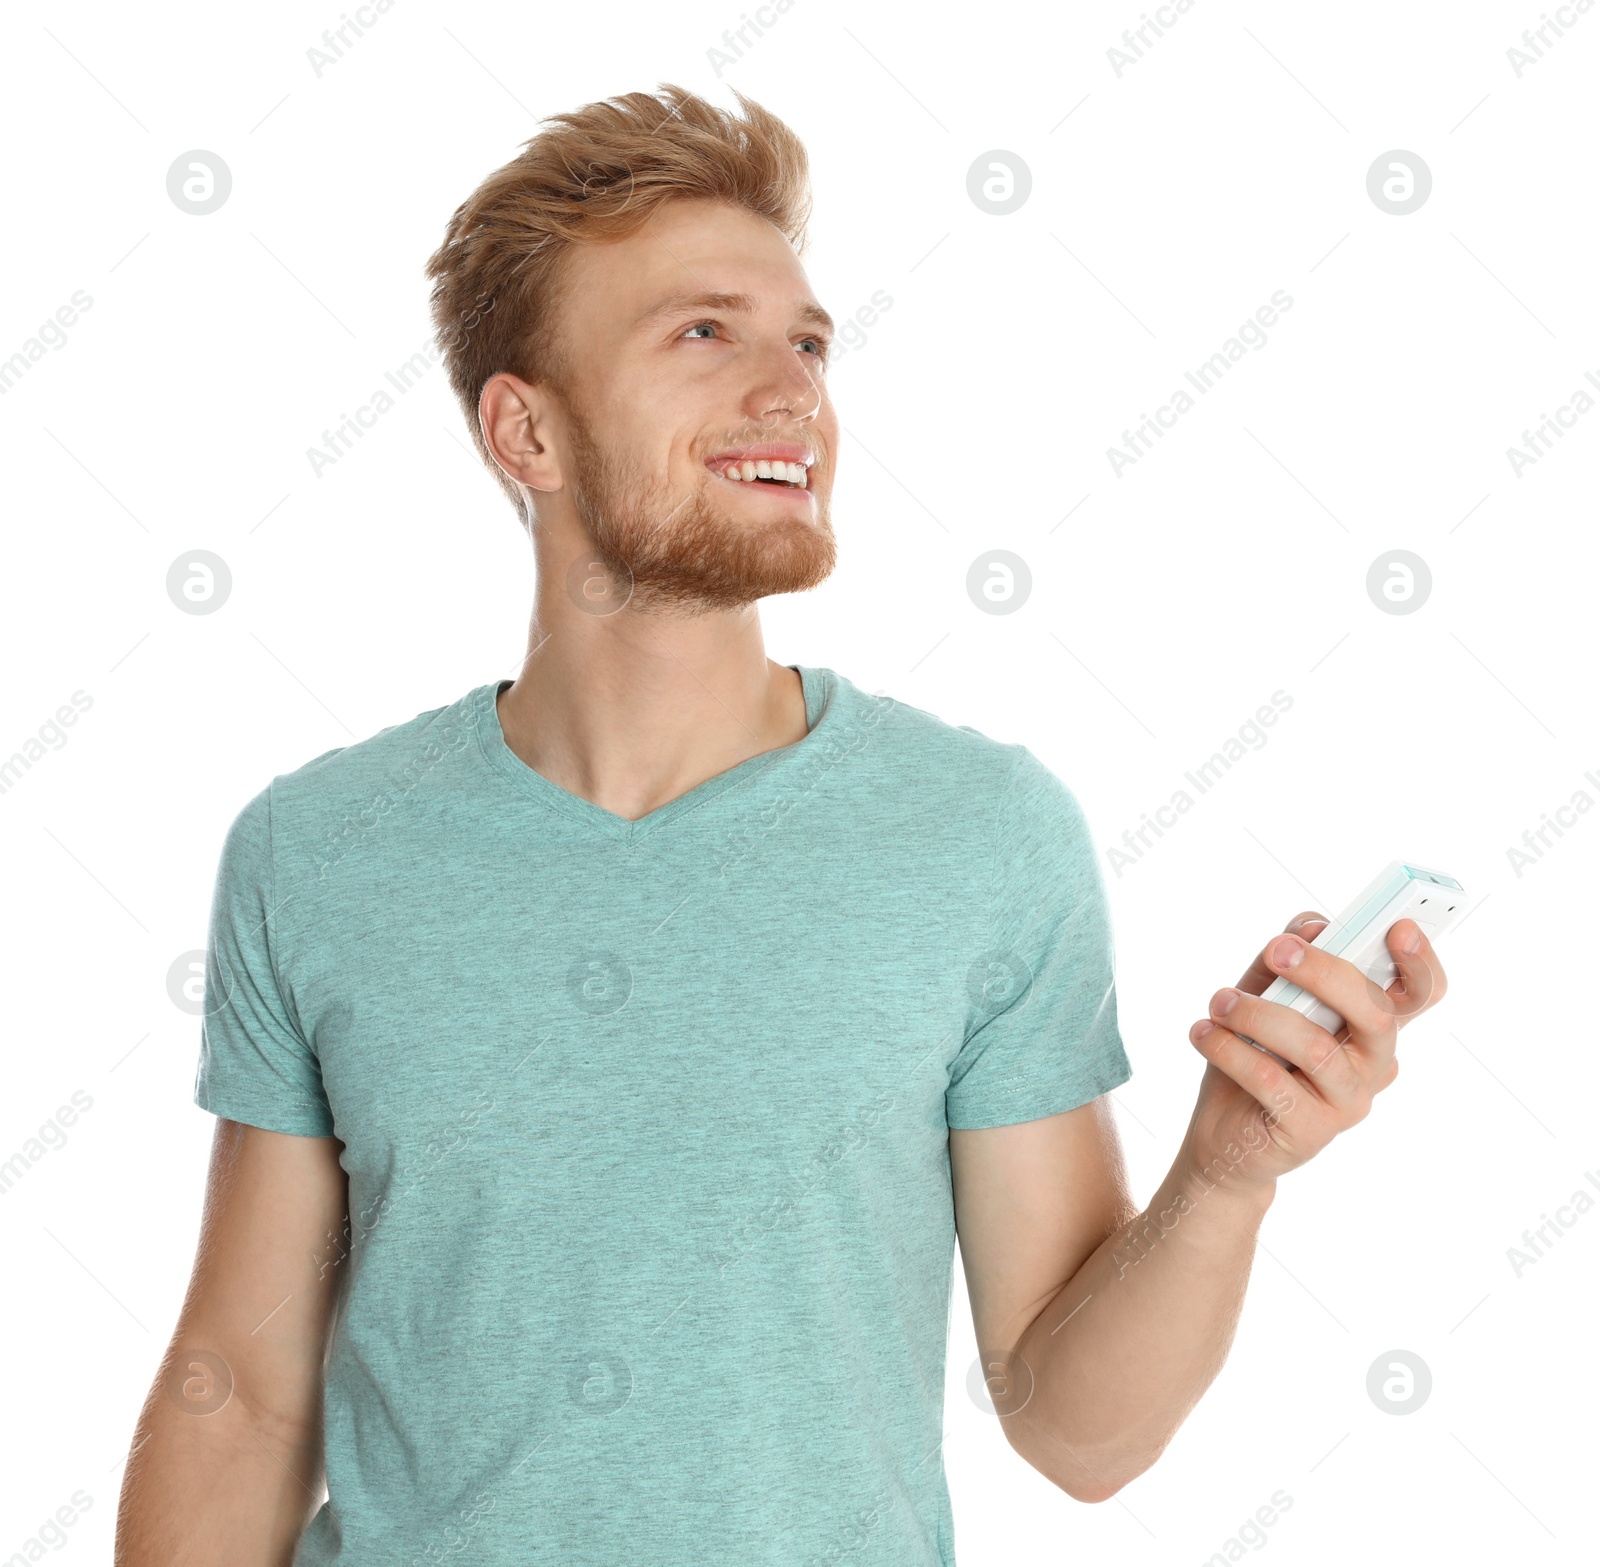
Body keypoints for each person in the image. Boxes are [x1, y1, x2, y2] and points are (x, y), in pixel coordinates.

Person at [115, 83, 1449, 1566]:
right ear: (526, 432)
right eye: (705, 333)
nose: (793, 392)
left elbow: (1076, 1436)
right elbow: (235, 1395)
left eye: (808, 342)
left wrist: (1226, 1175)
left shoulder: (981, 837)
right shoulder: (321, 852)